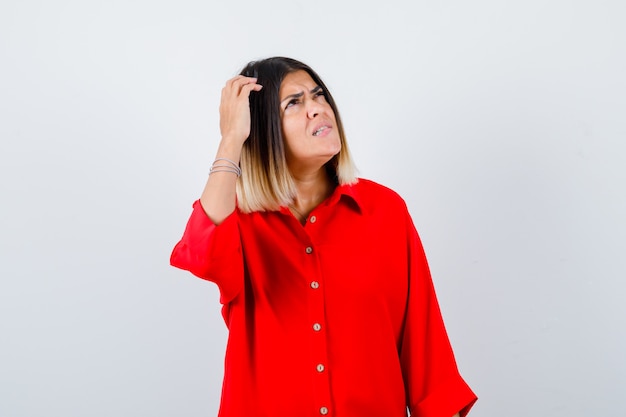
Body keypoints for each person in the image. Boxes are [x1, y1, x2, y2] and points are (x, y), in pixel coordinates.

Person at [170, 57, 477, 417]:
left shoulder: (385, 211)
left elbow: (428, 357)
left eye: (319, 96)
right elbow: (202, 254)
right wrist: (232, 138)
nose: (317, 108)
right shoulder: (238, 220)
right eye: (294, 103)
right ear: (262, 129)